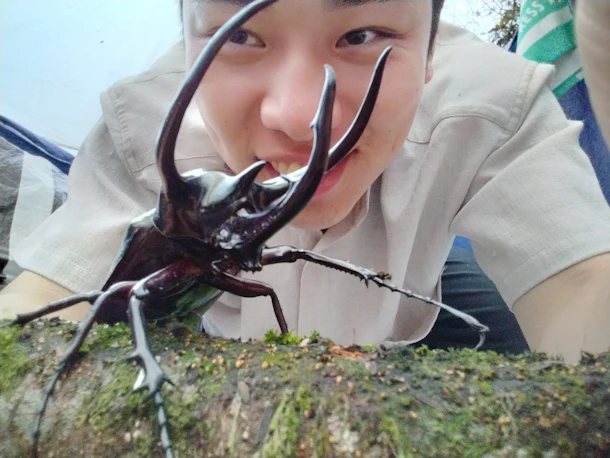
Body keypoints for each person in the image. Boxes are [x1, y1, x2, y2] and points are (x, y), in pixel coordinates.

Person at [1, 0, 609, 364]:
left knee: (500, 336)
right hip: (207, 291)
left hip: (422, 280)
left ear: (430, 52)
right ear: (187, 45)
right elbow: (46, 298)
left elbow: (580, 280)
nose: (295, 117)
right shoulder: (141, 124)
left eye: (361, 35)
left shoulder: (494, 100)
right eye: (239, 34)